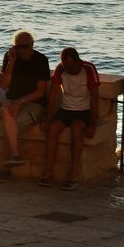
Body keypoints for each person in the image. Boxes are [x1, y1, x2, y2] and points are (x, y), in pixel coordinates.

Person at [0, 31, 50, 182]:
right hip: (13, 102)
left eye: (25, 47)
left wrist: (21, 101)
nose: (22, 51)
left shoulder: (40, 60)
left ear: (32, 45)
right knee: (7, 114)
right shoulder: (10, 57)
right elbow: (4, 85)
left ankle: (6, 166)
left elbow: (41, 91)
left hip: (34, 104)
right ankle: (15, 156)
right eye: (18, 47)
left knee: (10, 125)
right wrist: (11, 62)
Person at [42, 47, 100, 190]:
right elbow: (53, 94)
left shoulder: (88, 69)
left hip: (83, 111)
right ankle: (48, 172)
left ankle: (73, 174)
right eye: (64, 65)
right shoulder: (61, 69)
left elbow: (94, 98)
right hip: (65, 109)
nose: (67, 69)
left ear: (77, 61)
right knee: (53, 128)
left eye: (70, 66)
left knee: (76, 128)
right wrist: (48, 118)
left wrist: (92, 124)